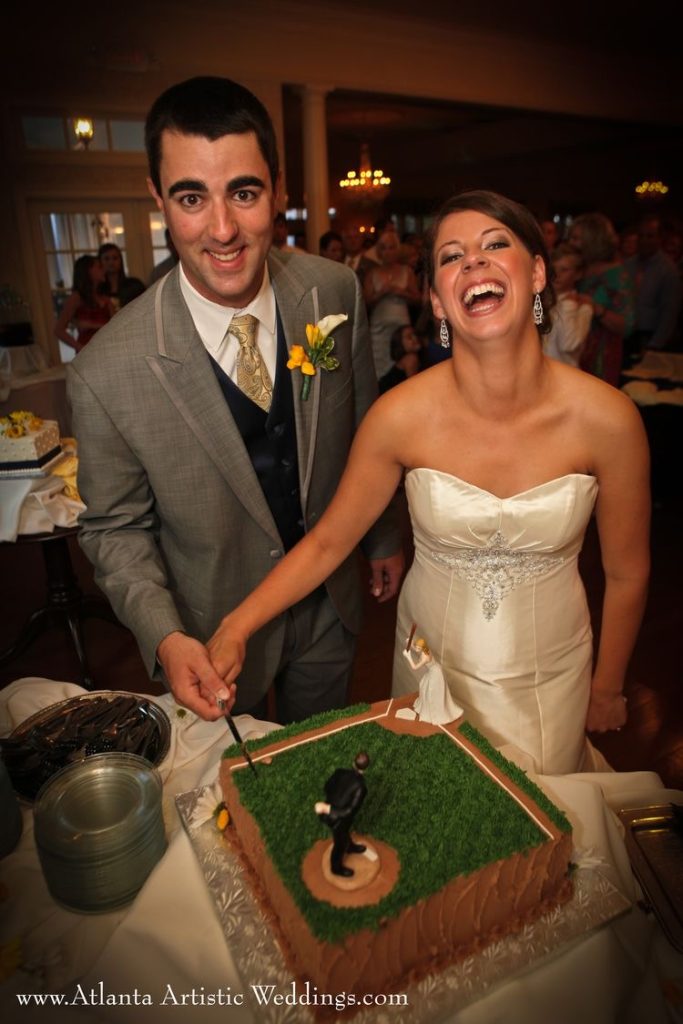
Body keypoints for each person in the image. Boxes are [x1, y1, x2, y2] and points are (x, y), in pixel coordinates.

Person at [207, 189, 650, 776]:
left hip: (551, 676)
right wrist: (236, 626)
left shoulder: (609, 419)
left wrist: (608, 685)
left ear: (538, 272)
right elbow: (328, 543)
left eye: (496, 245)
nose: (473, 262)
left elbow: (626, 571)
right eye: (450, 257)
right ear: (438, 302)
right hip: (430, 669)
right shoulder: (398, 417)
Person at [67, 76, 403, 725]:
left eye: (243, 193)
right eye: (192, 197)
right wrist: (165, 635)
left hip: (330, 605)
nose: (221, 229)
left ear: (276, 190)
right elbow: (116, 532)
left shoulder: (333, 292)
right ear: (159, 198)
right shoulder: (105, 371)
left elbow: (368, 432)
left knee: (315, 773)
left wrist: (384, 535)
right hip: (208, 632)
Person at [568, 212, 635, 386]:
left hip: (601, 353)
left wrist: (596, 309)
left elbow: (627, 325)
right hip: (572, 348)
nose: (571, 243)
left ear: (593, 241)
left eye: (577, 238)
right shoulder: (577, 268)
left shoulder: (616, 275)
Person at [363, 230, 421, 380]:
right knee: (379, 373)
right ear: (379, 252)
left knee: (406, 370)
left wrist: (401, 292)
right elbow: (365, 304)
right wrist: (381, 293)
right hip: (378, 331)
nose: (388, 252)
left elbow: (418, 300)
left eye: (391, 247)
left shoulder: (407, 272)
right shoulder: (372, 273)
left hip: (402, 330)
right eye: (384, 248)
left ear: (397, 249)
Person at [623, 214, 681, 357]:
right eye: (641, 236)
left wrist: (655, 345)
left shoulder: (667, 270)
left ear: (660, 239)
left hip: (649, 336)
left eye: (650, 236)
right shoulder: (628, 264)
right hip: (626, 334)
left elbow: (669, 312)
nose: (644, 240)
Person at [315, 752, 369, 877]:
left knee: (344, 833)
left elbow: (327, 787)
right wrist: (329, 808)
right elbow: (348, 812)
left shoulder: (340, 772)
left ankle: (350, 847)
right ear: (366, 768)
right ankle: (336, 868)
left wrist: (333, 800)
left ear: (353, 763)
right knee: (339, 845)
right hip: (336, 819)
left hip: (338, 816)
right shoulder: (361, 787)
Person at [543, 243, 593, 367]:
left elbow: (569, 344)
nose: (557, 275)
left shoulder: (582, 306)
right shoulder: (543, 300)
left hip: (563, 376)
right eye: (553, 269)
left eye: (564, 270)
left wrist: (569, 305)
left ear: (578, 274)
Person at [54, 254, 112, 353]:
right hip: (88, 350)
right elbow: (58, 330)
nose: (104, 270)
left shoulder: (104, 298)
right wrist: (80, 348)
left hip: (107, 349)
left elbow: (115, 325)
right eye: (99, 267)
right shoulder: (76, 298)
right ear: (88, 271)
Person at [401, 635, 463, 724]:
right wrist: (410, 643)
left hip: (436, 673)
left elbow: (414, 667)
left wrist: (408, 657)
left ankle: (434, 713)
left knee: (431, 692)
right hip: (432, 671)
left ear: (423, 647)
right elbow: (416, 648)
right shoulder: (424, 649)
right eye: (417, 647)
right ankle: (424, 707)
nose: (417, 649)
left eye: (419, 647)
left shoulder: (425, 657)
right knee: (423, 685)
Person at [98, 243, 145, 310]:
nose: (111, 262)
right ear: (100, 261)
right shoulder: (98, 289)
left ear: (121, 260)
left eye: (115, 258)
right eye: (106, 259)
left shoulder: (134, 285)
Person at [378, 323, 422, 393]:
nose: (415, 338)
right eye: (409, 337)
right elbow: (414, 387)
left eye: (415, 334)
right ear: (400, 343)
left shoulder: (409, 358)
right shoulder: (411, 358)